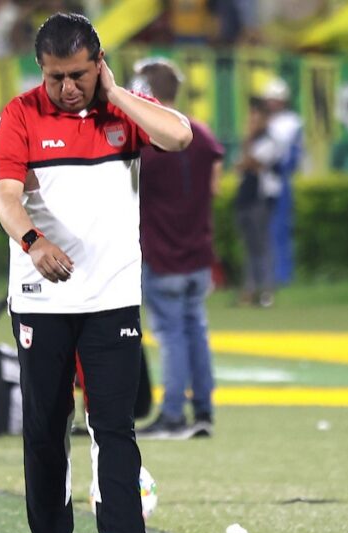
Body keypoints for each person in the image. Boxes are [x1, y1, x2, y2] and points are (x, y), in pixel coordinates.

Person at [0, 13, 192, 533]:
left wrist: (116, 93)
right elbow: (5, 195)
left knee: (114, 427)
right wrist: (32, 241)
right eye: (55, 77)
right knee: (47, 429)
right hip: (41, 299)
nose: (66, 88)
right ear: (41, 70)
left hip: (112, 297)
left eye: (78, 74)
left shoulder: (120, 112)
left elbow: (179, 136)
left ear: (98, 64)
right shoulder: (20, 114)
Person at [129, 58, 223, 440]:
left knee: (171, 336)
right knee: (195, 330)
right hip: (198, 250)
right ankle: (203, 410)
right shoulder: (199, 133)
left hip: (162, 252)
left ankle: (172, 415)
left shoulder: (148, 139)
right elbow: (214, 186)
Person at [234, 97, 280, 308]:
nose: (251, 122)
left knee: (262, 247)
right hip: (246, 198)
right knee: (250, 248)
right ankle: (250, 291)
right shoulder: (251, 141)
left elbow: (251, 162)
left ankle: (266, 292)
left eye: (255, 118)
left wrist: (246, 157)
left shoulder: (269, 140)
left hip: (260, 199)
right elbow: (239, 165)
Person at [262, 77, 302, 287]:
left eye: (275, 99)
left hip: (280, 180)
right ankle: (266, 275)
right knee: (263, 230)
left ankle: (283, 276)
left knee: (281, 229)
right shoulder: (263, 120)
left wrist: (280, 168)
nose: (271, 103)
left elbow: (293, 156)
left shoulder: (292, 122)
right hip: (262, 180)